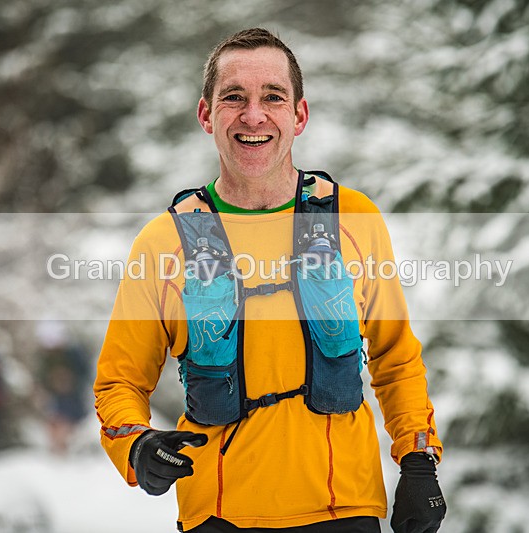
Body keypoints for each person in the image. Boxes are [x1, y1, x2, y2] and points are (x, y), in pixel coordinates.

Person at [94, 28, 446, 532]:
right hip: (218, 516)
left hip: (345, 509)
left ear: (299, 115)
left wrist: (418, 461)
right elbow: (120, 381)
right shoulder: (163, 242)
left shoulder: (353, 219)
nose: (253, 115)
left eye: (273, 97)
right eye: (234, 97)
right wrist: (136, 445)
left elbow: (396, 358)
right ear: (206, 115)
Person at [35, 320, 90, 454]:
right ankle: (58, 446)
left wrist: (70, 381)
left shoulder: (74, 353)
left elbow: (85, 373)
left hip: (73, 395)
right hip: (55, 395)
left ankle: (69, 445)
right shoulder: (46, 356)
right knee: (56, 418)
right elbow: (41, 375)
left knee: (69, 420)